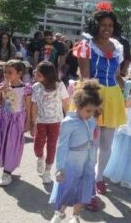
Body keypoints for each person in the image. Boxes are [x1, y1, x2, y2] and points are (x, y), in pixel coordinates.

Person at [73, 1, 126, 195]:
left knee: (106, 144)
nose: (107, 29)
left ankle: (99, 177)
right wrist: (92, 104)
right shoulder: (86, 46)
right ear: (96, 25)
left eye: (110, 25)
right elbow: (85, 77)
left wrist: (130, 87)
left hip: (112, 96)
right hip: (92, 94)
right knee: (90, 142)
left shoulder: (118, 47)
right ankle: (86, 176)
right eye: (103, 25)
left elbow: (117, 75)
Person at [49, 80, 102, 223]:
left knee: (83, 190)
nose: (91, 114)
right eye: (88, 111)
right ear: (78, 106)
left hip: (87, 162)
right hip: (71, 163)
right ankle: (59, 213)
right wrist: (60, 168)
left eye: (94, 111)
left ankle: (76, 216)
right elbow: (62, 146)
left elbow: (91, 139)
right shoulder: (68, 123)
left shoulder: (91, 120)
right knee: (68, 188)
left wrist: (93, 160)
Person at [0, 60, 32, 186]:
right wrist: (0, 90)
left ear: (19, 73)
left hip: (16, 120)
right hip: (2, 118)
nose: (6, 75)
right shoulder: (1, 86)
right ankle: (7, 166)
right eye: (5, 72)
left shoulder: (25, 88)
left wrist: (29, 122)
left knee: (11, 145)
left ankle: (7, 172)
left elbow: (28, 106)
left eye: (10, 72)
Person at [31, 61, 70, 184]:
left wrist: (69, 119)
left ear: (47, 75)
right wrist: (33, 124)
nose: (35, 75)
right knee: (38, 146)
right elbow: (35, 106)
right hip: (41, 122)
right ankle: (40, 158)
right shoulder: (36, 87)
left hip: (56, 122)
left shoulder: (60, 85)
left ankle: (47, 171)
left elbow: (66, 103)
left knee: (52, 146)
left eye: (39, 74)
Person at [103, 80, 131, 189]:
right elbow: (126, 105)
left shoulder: (127, 98)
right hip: (128, 131)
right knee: (128, 156)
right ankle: (125, 179)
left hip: (127, 130)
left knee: (119, 154)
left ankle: (116, 175)